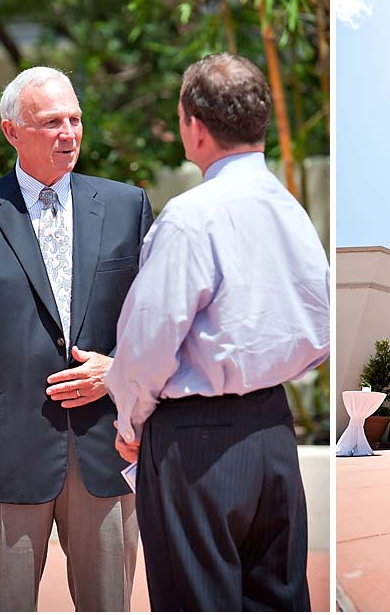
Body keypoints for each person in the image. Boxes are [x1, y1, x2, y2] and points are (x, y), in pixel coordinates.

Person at [0, 67, 153, 611]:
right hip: (6, 451)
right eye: (51, 123)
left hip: (106, 445)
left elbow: (157, 320)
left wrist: (116, 368)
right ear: (12, 131)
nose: (68, 133)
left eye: (75, 119)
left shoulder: (126, 207)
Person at [105, 52, 329, 611]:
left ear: (195, 126)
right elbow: (319, 328)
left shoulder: (189, 217)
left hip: (194, 443)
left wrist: (129, 420)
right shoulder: (293, 213)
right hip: (275, 434)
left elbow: (147, 342)